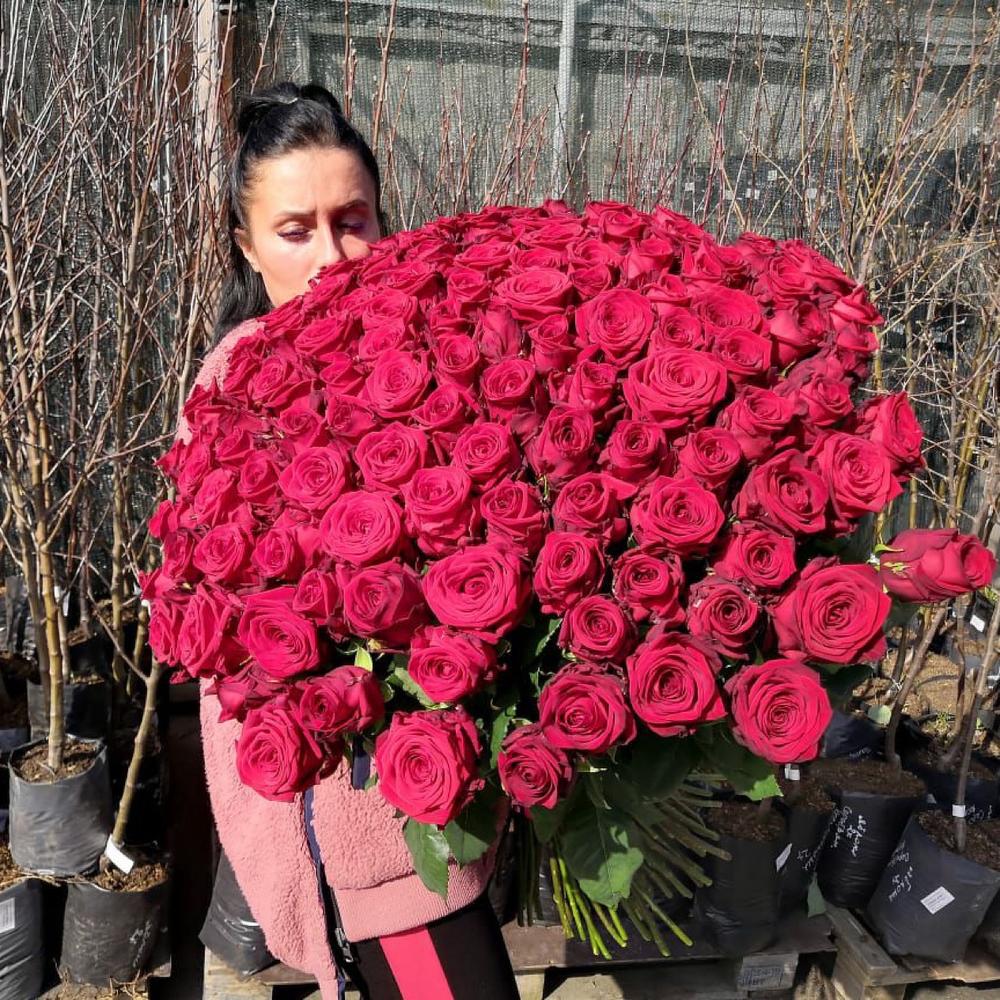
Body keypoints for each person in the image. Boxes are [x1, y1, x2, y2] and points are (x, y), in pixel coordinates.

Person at [176, 82, 519, 1000]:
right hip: (367, 833)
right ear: (248, 246)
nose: (333, 257)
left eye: (353, 221)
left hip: (444, 799)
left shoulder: (429, 347)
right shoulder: (235, 393)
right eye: (296, 230)